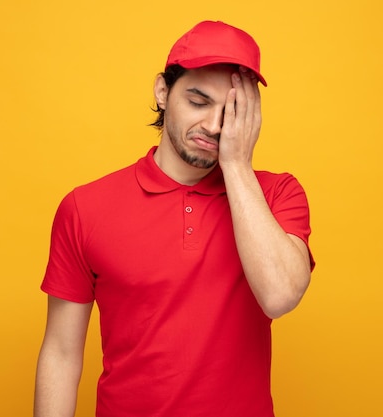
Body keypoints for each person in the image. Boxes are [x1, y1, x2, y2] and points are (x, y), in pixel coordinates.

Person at [34, 20, 315, 417]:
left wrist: (235, 164)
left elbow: (281, 295)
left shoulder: (275, 194)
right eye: (199, 103)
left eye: (232, 111)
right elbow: (61, 354)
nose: (214, 127)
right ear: (163, 92)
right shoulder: (85, 208)